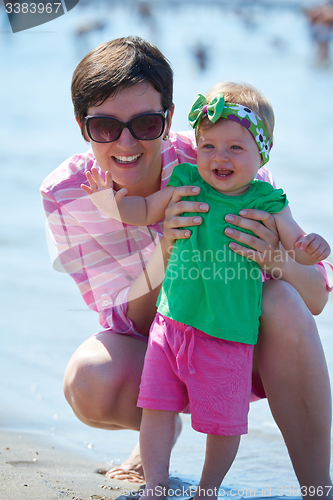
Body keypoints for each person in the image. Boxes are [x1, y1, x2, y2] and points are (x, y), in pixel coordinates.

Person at [40, 37, 332, 497]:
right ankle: (158, 439)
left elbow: (315, 297)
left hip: (240, 340)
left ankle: (318, 486)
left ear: (170, 118)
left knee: (284, 304)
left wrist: (277, 259)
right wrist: (167, 248)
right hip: (162, 345)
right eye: (104, 127)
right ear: (82, 125)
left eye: (145, 122)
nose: (126, 143)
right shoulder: (72, 191)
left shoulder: (221, 154)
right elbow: (128, 322)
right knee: (91, 378)